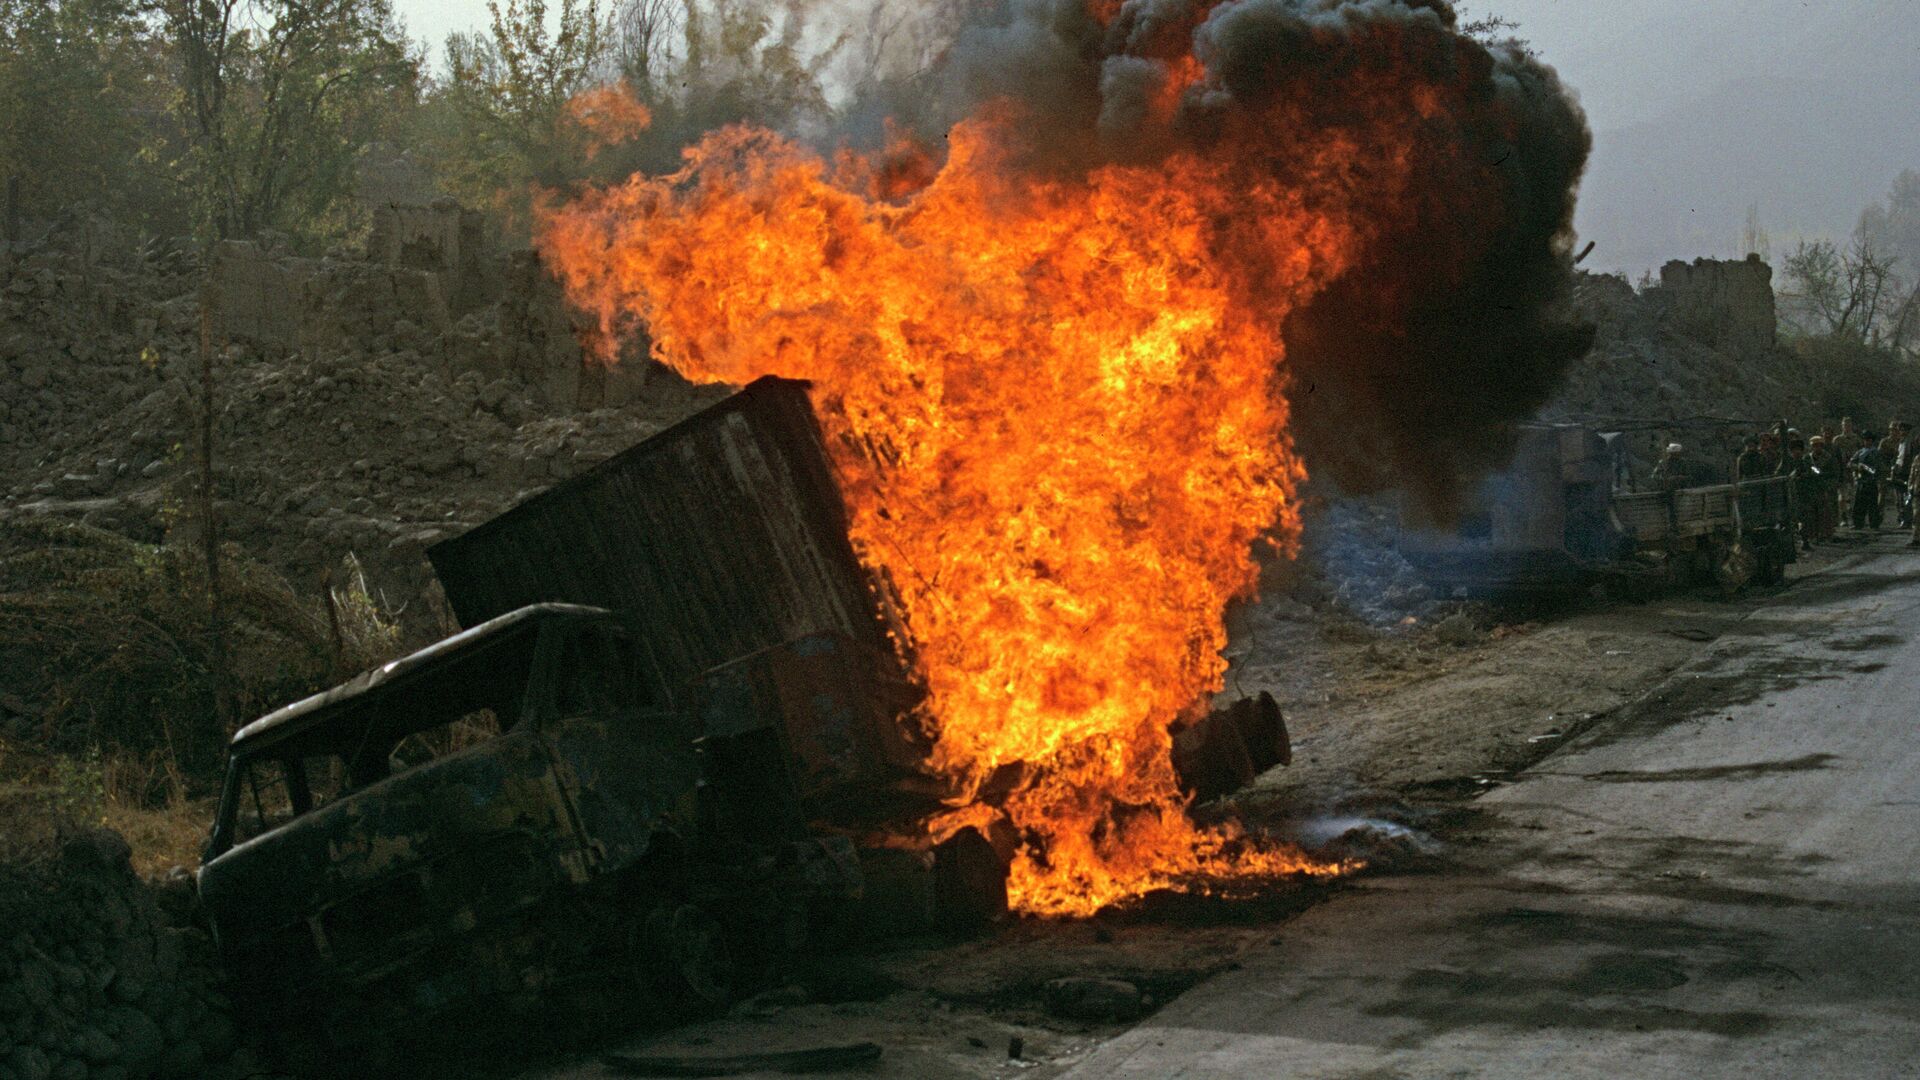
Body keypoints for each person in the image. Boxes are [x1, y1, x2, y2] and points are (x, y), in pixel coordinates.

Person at [1851, 432, 1888, 530]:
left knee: (1872, 504)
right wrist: (1858, 467)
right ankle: (1858, 523)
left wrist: (1871, 471)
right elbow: (1851, 463)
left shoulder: (1876, 452)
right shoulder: (1860, 452)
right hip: (1861, 480)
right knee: (1859, 503)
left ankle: (1874, 524)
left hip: (1871, 480)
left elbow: (1879, 467)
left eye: (1869, 440)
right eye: (1865, 440)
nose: (1867, 442)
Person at [1808, 435, 1841, 541]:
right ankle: (1814, 533)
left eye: (1819, 445)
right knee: (1812, 512)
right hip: (1812, 488)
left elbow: (1834, 473)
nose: (1817, 448)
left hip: (1825, 487)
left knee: (1826, 511)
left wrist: (1829, 485)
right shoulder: (1808, 458)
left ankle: (1827, 533)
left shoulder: (1829, 458)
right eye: (1814, 445)